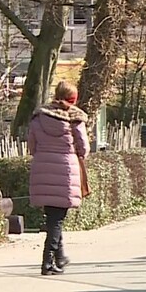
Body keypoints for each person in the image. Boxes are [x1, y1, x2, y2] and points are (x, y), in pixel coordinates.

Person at [27, 81, 90, 275]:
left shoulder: (39, 118)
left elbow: (31, 145)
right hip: (65, 169)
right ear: (73, 99)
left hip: (42, 166)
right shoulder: (74, 120)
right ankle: (47, 262)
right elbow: (84, 148)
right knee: (57, 220)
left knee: (53, 216)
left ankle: (60, 257)